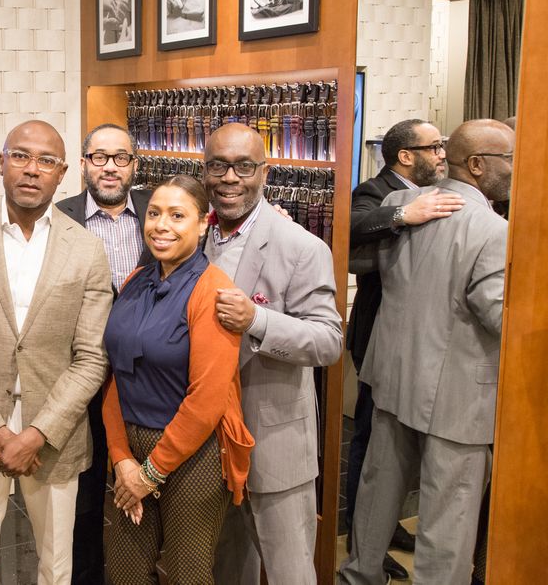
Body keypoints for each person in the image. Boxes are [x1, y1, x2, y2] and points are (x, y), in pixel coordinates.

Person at [0, 119, 113, 585]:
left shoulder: (88, 250)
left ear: (62, 173)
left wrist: (36, 434)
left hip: (54, 433)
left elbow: (91, 357)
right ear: (1, 162)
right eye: (21, 156)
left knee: (56, 567)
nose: (32, 169)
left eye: (46, 161)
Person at [339, 120, 514, 585]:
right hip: (457, 397)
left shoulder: (402, 203)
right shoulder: (494, 231)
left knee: (377, 494)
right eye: (509, 159)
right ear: (477, 165)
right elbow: (500, 317)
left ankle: (358, 576)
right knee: (447, 520)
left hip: (393, 378)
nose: (516, 169)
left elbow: (360, 260)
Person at [205, 123, 343, 585]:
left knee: (289, 573)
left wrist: (258, 321)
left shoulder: (301, 247)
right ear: (204, 172)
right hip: (210, 445)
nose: (230, 178)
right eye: (219, 166)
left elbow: (328, 341)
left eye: (244, 166)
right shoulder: (194, 235)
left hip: (275, 444)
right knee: (226, 570)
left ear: (264, 172)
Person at [101, 175, 254, 584]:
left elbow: (207, 400)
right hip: (130, 450)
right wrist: (121, 458)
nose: (161, 225)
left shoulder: (213, 290)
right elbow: (116, 376)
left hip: (193, 457)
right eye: (154, 213)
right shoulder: (136, 281)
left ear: (203, 223)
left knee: (188, 574)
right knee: (125, 573)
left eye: (177, 215)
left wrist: (150, 474)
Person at [345, 119, 465, 580]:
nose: (441, 154)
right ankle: (363, 544)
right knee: (372, 443)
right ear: (405, 156)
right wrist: (400, 215)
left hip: (421, 342)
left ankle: (385, 528)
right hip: (379, 336)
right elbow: (352, 224)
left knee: (395, 451)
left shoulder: (441, 195)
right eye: (434, 146)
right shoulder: (374, 191)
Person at [55, 123, 152, 585]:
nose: (110, 166)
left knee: (152, 485)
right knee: (86, 497)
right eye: (100, 157)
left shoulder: (160, 209)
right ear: (83, 164)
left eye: (120, 157)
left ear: (134, 164)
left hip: (149, 379)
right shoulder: (57, 218)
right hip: (83, 378)